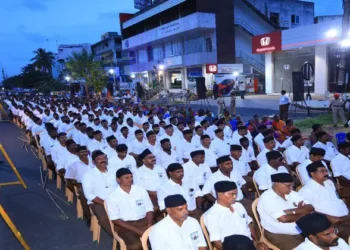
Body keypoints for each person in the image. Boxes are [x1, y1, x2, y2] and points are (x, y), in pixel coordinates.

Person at [204, 181, 267, 250]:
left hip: (249, 243)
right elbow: (217, 242)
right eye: (231, 194)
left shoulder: (238, 206)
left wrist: (257, 241)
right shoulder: (212, 215)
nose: (234, 197)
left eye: (236, 194)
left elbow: (248, 224)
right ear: (219, 195)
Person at [257, 173, 314, 250]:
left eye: (292, 186)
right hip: (279, 233)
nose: (291, 188)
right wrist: (303, 212)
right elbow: (284, 219)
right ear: (276, 183)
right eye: (288, 186)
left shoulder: (292, 194)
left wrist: (292, 211)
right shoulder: (267, 198)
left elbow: (310, 208)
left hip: (301, 228)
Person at [298, 161, 350, 240]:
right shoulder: (306, 191)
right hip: (331, 223)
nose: (326, 173)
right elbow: (308, 211)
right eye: (322, 171)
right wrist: (329, 217)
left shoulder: (329, 183)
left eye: (326, 170)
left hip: (346, 216)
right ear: (312, 173)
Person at [105, 168, 154, 250]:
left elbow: (149, 208)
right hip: (125, 225)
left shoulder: (141, 190)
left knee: (161, 237)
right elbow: (115, 219)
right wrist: (137, 230)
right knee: (136, 246)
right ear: (118, 180)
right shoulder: (112, 197)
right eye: (126, 177)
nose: (130, 179)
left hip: (144, 221)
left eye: (131, 177)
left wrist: (149, 223)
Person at [82, 150, 118, 236]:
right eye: (99, 159)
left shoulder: (115, 171)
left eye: (104, 158)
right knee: (103, 218)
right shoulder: (88, 175)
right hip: (98, 202)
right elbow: (89, 195)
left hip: (117, 200)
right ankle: (117, 238)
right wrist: (105, 203)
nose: (103, 160)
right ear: (94, 162)